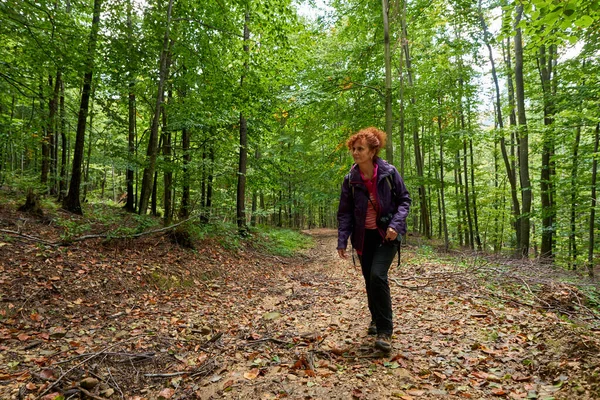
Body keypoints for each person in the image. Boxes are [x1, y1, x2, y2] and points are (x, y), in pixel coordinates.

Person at [337, 127, 411, 353]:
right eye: (353, 148)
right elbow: (345, 212)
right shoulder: (351, 179)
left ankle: (385, 331)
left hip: (386, 235)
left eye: (360, 149)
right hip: (363, 237)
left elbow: (404, 200)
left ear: (372, 151)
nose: (355, 153)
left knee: (378, 276)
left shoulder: (389, 173)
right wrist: (342, 240)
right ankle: (375, 319)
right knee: (369, 281)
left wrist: (395, 225)